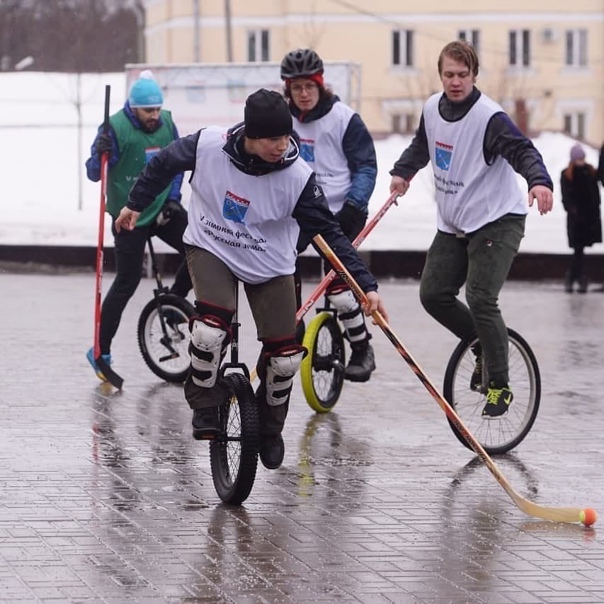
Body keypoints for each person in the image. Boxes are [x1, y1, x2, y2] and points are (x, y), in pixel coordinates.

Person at [114, 88, 387, 470]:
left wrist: (366, 285)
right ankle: (205, 402)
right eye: (274, 139)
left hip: (269, 262)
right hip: (213, 246)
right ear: (250, 136)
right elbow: (161, 166)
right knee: (211, 330)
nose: (283, 145)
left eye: (286, 136)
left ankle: (269, 428)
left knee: (286, 357)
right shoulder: (207, 146)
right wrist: (135, 204)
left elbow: (331, 234)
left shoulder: (297, 178)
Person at [389, 40, 553, 419]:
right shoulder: (432, 107)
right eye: (449, 74)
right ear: (440, 74)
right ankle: (481, 344)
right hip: (455, 223)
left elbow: (522, 150)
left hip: (497, 219)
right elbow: (422, 145)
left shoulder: (488, 118)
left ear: (474, 75)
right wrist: (403, 171)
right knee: (433, 294)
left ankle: (500, 385)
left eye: (463, 75)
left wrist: (539, 181)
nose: (456, 82)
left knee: (480, 297)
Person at [85, 70, 192, 381]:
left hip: (160, 206)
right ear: (133, 108)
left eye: (157, 109)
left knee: (198, 249)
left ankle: (173, 304)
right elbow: (94, 173)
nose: (154, 116)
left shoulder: (166, 123)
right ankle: (100, 350)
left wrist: (173, 198)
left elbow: (177, 163)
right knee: (127, 281)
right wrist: (100, 152)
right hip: (127, 214)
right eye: (148, 111)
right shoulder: (115, 128)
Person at [280, 48, 378, 383]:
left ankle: (362, 346)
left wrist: (355, 204)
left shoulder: (343, 119)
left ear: (321, 85)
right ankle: (291, 327)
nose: (304, 94)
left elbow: (366, 166)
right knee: (280, 264)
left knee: (337, 289)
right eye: (297, 88)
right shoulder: (282, 120)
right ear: (288, 90)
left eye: (310, 86)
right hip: (300, 211)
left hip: (341, 210)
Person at [560, 143, 602, 293]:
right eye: (579, 158)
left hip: (589, 219)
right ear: (573, 159)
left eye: (582, 158)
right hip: (576, 220)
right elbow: (566, 198)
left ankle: (575, 278)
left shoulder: (590, 171)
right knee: (579, 250)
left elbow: (595, 194)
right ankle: (575, 278)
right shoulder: (567, 174)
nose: (581, 161)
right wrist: (574, 211)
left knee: (580, 251)